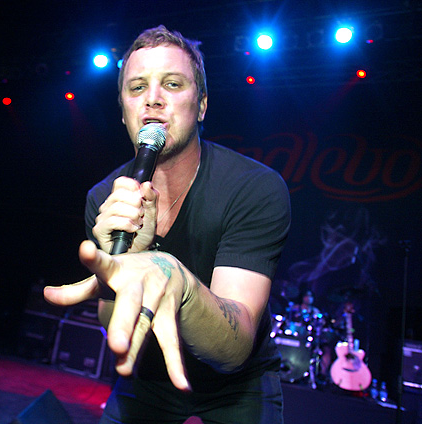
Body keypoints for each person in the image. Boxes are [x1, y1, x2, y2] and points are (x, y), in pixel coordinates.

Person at [44, 25, 291, 424]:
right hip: (148, 379)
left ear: (202, 105)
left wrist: (179, 282)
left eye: (172, 84)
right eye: (137, 87)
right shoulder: (105, 198)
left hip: (238, 387)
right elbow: (116, 327)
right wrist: (122, 263)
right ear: (123, 111)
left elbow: (233, 350)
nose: (153, 98)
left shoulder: (254, 187)